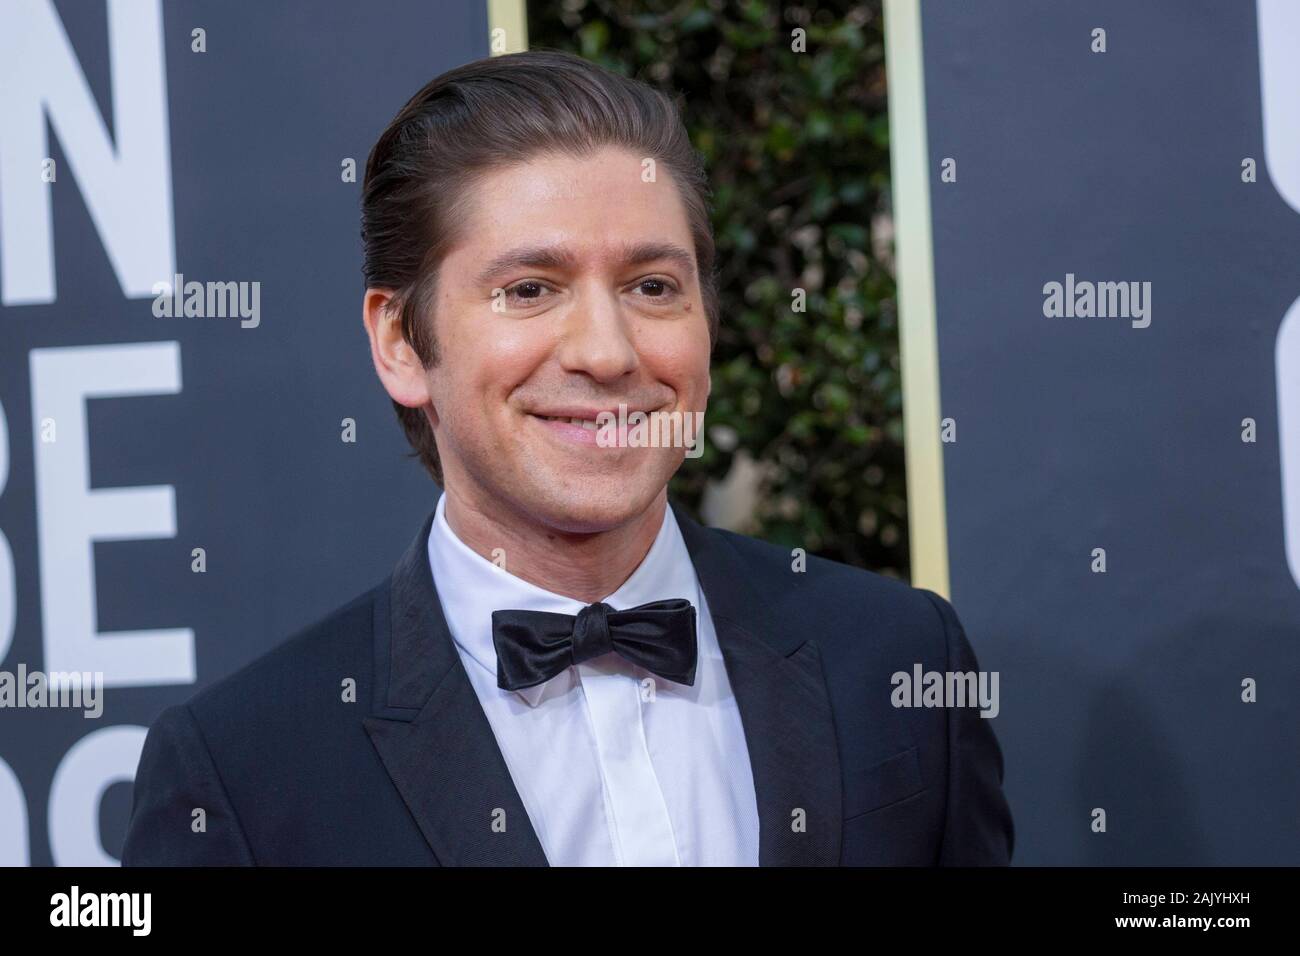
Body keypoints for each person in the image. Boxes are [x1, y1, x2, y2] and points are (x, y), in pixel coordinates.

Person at [122, 49, 1013, 867]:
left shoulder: (896, 659)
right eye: (531, 290)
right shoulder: (244, 774)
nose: (607, 351)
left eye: (652, 287)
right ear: (400, 341)